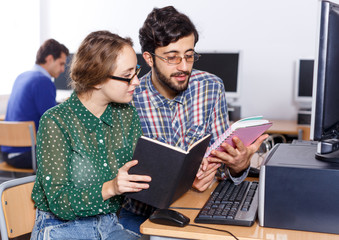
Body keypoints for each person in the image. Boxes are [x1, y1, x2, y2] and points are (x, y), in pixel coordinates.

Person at [119, 6, 268, 234]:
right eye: (172, 58)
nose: (184, 67)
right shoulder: (127, 98)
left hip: (196, 205)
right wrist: (183, 182)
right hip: (141, 215)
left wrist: (238, 166)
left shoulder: (210, 86)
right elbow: (117, 175)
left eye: (189, 56)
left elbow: (221, 161)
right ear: (149, 58)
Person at [30, 30, 151, 240]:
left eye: (136, 71)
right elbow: (59, 203)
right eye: (126, 76)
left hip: (110, 224)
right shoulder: (56, 122)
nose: (137, 82)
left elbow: (138, 173)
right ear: (96, 80)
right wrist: (111, 187)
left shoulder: (127, 114)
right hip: (62, 228)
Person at [1, 39, 69, 169]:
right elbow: (55, 123)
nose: (62, 69)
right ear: (49, 59)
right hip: (26, 154)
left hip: (7, 152)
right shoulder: (43, 81)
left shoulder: (22, 76)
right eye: (61, 64)